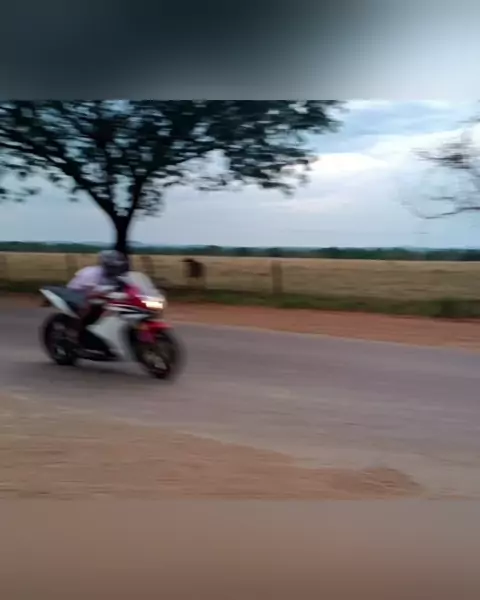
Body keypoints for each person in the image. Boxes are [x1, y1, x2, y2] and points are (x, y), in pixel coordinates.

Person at [66, 249, 129, 349]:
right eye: (112, 266)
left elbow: (127, 287)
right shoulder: (91, 274)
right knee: (88, 307)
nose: (115, 268)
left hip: (101, 297)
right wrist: (101, 294)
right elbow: (87, 291)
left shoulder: (119, 276)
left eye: (117, 266)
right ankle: (75, 333)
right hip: (78, 294)